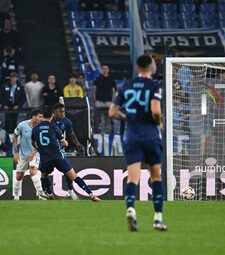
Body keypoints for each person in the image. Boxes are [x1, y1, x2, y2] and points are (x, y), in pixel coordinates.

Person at [109, 55, 167, 231]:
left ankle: (131, 209)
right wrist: (159, 122)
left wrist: (126, 117)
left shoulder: (126, 86)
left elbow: (112, 113)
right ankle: (157, 219)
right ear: (151, 68)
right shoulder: (154, 86)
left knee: (133, 178)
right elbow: (155, 110)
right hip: (150, 135)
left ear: (136, 68)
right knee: (155, 176)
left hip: (132, 136)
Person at [31, 106, 101, 202]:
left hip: (45, 158)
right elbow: (65, 143)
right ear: (52, 115)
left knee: (44, 175)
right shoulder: (54, 127)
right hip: (58, 156)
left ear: (43, 115)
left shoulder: (35, 128)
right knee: (74, 176)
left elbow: (33, 143)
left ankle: (50, 194)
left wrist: (40, 149)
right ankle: (91, 194)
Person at [13, 108, 47, 200]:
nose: (41, 119)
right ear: (33, 117)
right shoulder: (22, 125)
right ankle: (16, 197)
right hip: (23, 154)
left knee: (33, 171)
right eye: (39, 117)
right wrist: (16, 153)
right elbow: (15, 136)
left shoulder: (42, 126)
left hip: (36, 153)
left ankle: (41, 195)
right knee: (19, 176)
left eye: (42, 117)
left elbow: (42, 141)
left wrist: (34, 152)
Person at [52, 102, 84, 200]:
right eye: (60, 112)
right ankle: (44, 192)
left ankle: (70, 189)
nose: (62, 114)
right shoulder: (48, 120)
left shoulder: (66, 121)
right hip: (47, 149)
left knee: (67, 171)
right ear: (54, 112)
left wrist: (77, 144)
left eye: (63, 112)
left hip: (60, 149)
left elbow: (71, 135)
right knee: (42, 171)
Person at [93, 64, 116, 133]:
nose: (105, 70)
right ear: (101, 70)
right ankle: (97, 133)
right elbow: (94, 89)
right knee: (97, 119)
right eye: (103, 68)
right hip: (99, 102)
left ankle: (109, 134)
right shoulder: (98, 79)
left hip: (108, 102)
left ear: (108, 70)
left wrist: (112, 101)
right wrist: (94, 100)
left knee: (109, 119)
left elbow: (113, 91)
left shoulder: (111, 79)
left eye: (106, 68)